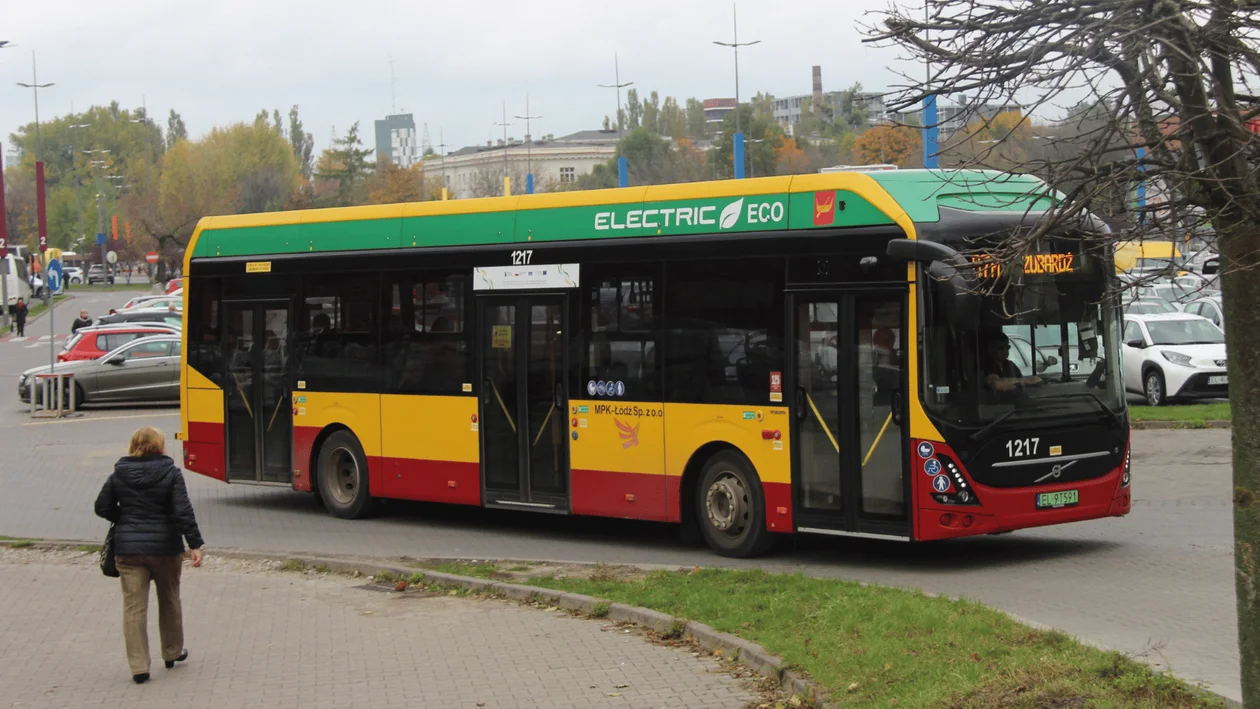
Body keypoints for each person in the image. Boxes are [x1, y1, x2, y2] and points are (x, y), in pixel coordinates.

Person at [94, 426, 205, 685]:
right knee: (169, 600)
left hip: (129, 551)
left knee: (134, 608)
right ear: (160, 446)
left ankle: (139, 667)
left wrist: (123, 518)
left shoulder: (119, 473)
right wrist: (195, 545)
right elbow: (183, 511)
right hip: (166, 548)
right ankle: (172, 652)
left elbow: (102, 507)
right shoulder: (171, 473)